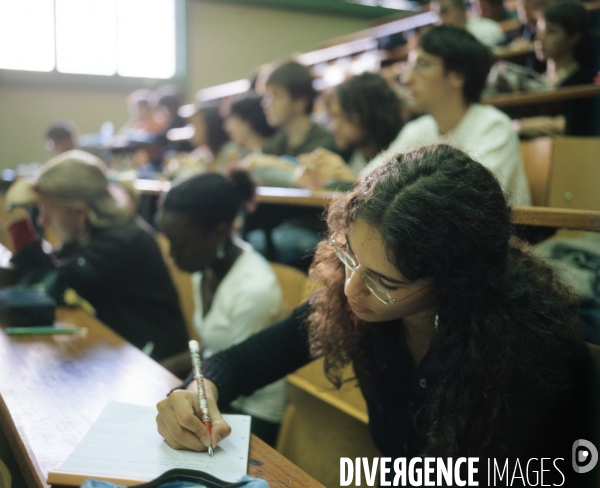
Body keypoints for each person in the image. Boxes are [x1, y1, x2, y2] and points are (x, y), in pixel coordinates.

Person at [156, 144, 597, 486]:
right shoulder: (355, 301)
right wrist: (200, 389)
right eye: (350, 258)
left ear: (455, 280)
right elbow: (240, 362)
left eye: (386, 282)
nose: (352, 288)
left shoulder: (531, 353)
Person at [4, 150, 188, 361]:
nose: (43, 221)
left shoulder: (122, 241)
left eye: (48, 210)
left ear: (80, 212)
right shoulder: (93, 232)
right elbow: (45, 272)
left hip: (153, 365)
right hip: (119, 351)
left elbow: (46, 286)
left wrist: (18, 217)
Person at [158, 170, 287, 447]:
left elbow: (240, 371)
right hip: (216, 391)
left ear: (218, 234)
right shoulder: (202, 268)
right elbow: (214, 345)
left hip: (251, 413)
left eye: (179, 245)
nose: (171, 256)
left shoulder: (253, 289)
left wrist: (180, 392)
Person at [368, 25, 531, 206]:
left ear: (457, 75)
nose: (407, 79)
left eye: (422, 65)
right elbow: (370, 178)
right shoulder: (418, 128)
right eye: (410, 66)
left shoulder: (494, 127)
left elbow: (468, 203)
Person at [296, 73, 404, 189]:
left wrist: (351, 180)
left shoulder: (400, 155)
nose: (335, 127)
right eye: (332, 117)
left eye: (340, 116)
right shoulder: (347, 152)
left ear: (366, 115)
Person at [243, 61, 335, 187]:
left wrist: (270, 163)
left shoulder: (325, 140)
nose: (267, 103)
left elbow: (312, 176)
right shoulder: (275, 143)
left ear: (300, 102)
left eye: (277, 95)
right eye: (268, 95)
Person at [518, 0, 600, 136]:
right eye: (539, 30)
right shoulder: (535, 79)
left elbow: (572, 124)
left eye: (551, 31)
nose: (540, 38)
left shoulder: (585, 82)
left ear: (574, 37)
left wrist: (521, 125)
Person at [433, 0, 506, 46]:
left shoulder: (488, 29)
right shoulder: (439, 44)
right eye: (437, 15)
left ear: (462, 10)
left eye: (444, 11)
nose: (440, 20)